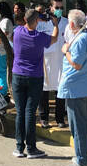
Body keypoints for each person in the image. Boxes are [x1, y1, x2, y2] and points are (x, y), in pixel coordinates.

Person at [12, 9, 59, 158]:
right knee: (30, 112)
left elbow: (25, 25)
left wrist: (37, 18)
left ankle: (19, 147)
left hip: (18, 75)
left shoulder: (17, 32)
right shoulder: (40, 37)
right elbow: (54, 38)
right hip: (34, 77)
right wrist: (55, 24)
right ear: (37, 21)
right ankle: (31, 148)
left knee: (20, 112)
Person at [59, 10, 87, 166]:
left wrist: (66, 51)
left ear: (71, 24)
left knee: (78, 126)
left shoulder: (80, 39)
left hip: (76, 88)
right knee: (85, 125)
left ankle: (83, 159)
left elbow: (76, 63)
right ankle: (84, 155)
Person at [37, 0, 69, 128]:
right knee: (44, 89)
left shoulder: (67, 22)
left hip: (61, 60)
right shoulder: (42, 23)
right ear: (51, 8)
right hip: (46, 61)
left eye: (61, 8)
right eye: (57, 7)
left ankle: (60, 118)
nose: (59, 10)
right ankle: (44, 118)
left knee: (60, 89)